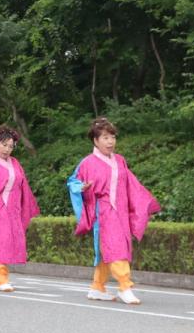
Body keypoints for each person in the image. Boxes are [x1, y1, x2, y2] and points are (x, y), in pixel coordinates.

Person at [67, 118, 161, 305]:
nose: (110, 141)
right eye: (105, 137)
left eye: (112, 137)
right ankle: (125, 286)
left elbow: (131, 185)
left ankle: (97, 287)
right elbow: (72, 182)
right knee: (116, 248)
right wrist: (81, 187)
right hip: (104, 212)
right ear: (95, 140)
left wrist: (144, 204)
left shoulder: (120, 160)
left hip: (121, 211)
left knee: (108, 250)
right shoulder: (87, 162)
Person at [0, 127, 40, 293]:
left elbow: (23, 185)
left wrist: (26, 205)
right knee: (1, 241)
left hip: (13, 207)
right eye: (4, 145)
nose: (7, 149)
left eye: (11, 146)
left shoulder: (15, 163)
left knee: (6, 241)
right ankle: (2, 278)